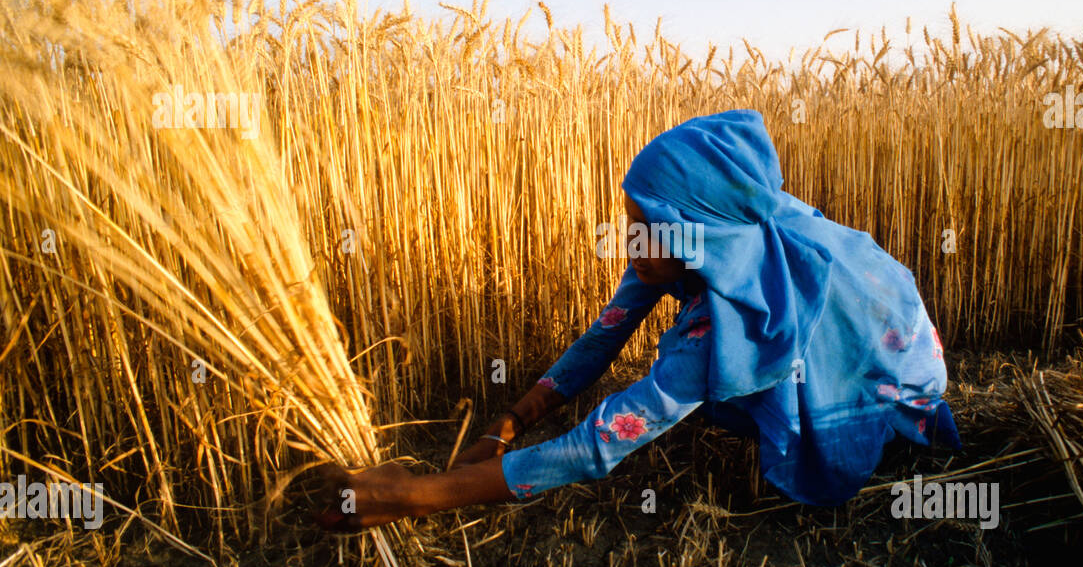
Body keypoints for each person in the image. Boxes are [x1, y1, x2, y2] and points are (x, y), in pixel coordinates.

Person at [312, 109, 960, 531]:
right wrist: (506, 424)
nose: (631, 243)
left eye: (646, 226)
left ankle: (847, 421)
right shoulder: (686, 243)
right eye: (631, 224)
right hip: (851, 322)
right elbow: (601, 340)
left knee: (722, 392)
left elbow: (596, 447)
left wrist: (412, 495)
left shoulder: (723, 330)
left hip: (895, 364)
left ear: (697, 230)